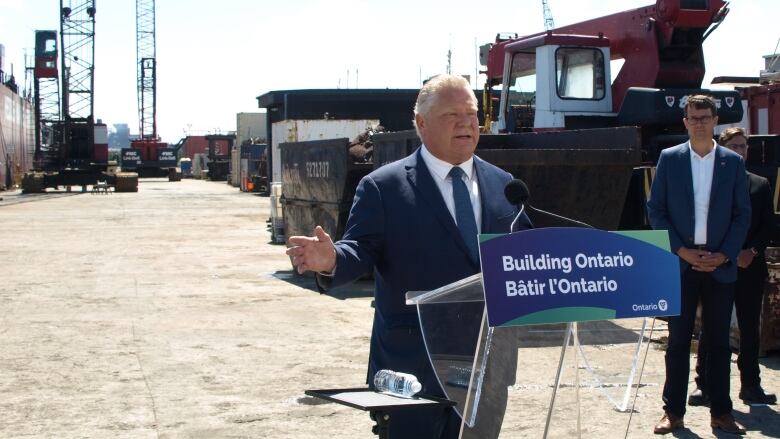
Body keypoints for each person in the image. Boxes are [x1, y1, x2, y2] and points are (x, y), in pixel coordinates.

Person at [286, 74, 531, 438]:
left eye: (471, 113)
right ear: (421, 123)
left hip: (488, 363)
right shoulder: (384, 187)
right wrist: (332, 259)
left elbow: (524, 257)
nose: (466, 123)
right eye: (452, 114)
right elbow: (360, 249)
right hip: (413, 367)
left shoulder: (504, 184)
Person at [647, 95, 751, 435]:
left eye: (705, 117)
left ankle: (721, 412)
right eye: (694, 117)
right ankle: (673, 412)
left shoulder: (731, 163)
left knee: (719, 342)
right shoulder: (670, 159)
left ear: (715, 120)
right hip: (681, 264)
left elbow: (741, 214)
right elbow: (656, 211)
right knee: (677, 342)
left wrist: (724, 253)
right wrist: (681, 250)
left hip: (720, 264)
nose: (700, 123)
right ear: (685, 122)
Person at [688, 127, 777, 407]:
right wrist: (724, 254)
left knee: (750, 329)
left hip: (749, 266)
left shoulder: (760, 184)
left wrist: (751, 251)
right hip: (717, 265)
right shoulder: (711, 182)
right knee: (713, 327)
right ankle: (705, 385)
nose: (740, 151)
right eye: (735, 146)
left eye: (744, 146)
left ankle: (750, 385)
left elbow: (766, 226)